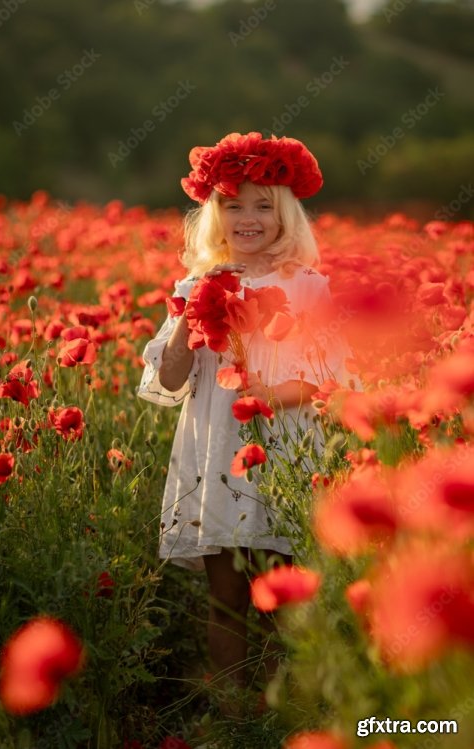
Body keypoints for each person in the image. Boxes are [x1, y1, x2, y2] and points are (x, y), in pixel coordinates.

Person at [136, 132, 356, 717]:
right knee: (226, 597)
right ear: (215, 215)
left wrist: (269, 395)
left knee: (286, 596)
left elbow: (333, 377)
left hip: (284, 453)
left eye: (264, 206)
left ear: (285, 216)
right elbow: (172, 379)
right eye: (234, 205)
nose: (249, 218)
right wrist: (190, 315)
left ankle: (293, 713)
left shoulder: (307, 288)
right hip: (216, 458)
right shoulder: (191, 286)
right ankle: (233, 716)